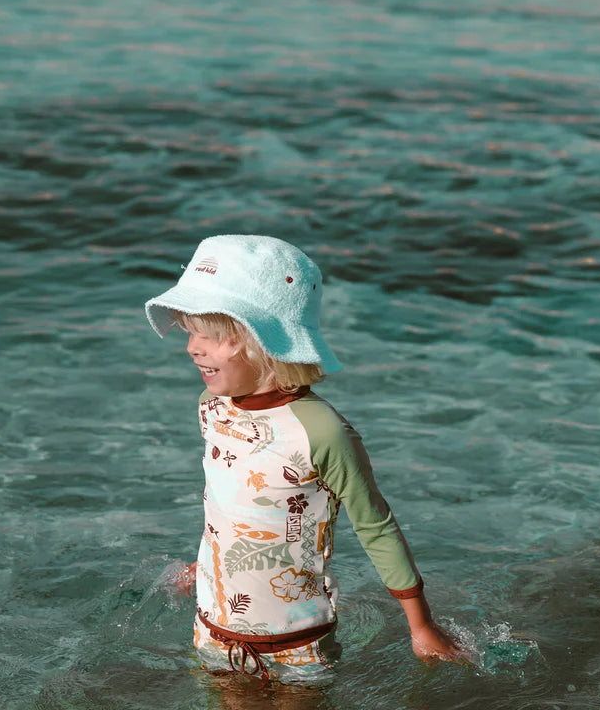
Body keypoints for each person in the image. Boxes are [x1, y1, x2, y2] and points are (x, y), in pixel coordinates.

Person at [145, 235, 464, 684]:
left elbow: (375, 524)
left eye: (210, 336)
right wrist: (212, 563)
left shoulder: (320, 431)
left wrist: (421, 626)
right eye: (190, 332)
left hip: (297, 637)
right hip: (215, 625)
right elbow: (228, 497)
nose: (192, 348)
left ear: (262, 342)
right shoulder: (212, 406)